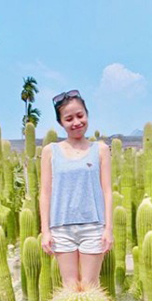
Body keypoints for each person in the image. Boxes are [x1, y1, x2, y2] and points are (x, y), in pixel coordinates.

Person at [39, 89, 113, 288]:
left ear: (87, 114)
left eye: (80, 116)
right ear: (61, 123)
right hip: (61, 228)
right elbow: (45, 193)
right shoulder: (50, 151)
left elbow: (107, 191)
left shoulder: (101, 150)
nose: (76, 123)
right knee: (70, 286)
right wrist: (45, 231)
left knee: (90, 286)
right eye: (68, 118)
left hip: (93, 227)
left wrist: (108, 229)